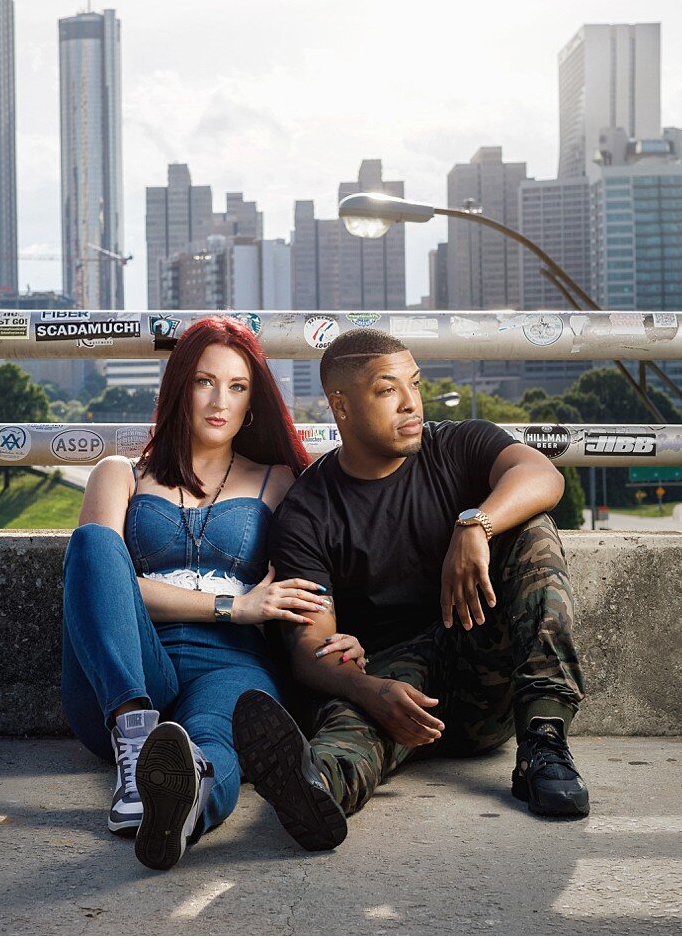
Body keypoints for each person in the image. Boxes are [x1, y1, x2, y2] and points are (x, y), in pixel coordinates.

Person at [233, 327, 590, 851]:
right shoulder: (307, 512)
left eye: (415, 384)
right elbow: (312, 650)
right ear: (342, 405)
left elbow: (542, 476)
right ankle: (315, 787)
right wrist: (368, 689)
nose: (410, 404)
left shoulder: (457, 445)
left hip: (482, 668)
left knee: (533, 532)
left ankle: (544, 742)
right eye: (387, 390)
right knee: (349, 716)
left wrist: (476, 525)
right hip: (395, 685)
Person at [60, 315, 367, 870]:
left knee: (213, 746)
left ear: (253, 401)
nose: (219, 401)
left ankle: (184, 808)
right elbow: (102, 585)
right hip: (128, 671)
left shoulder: (279, 480)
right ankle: (135, 748)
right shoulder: (120, 474)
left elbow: (306, 582)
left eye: (238, 386)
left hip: (231, 666)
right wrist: (235, 605)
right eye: (204, 381)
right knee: (94, 545)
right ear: (180, 387)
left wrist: (341, 637)